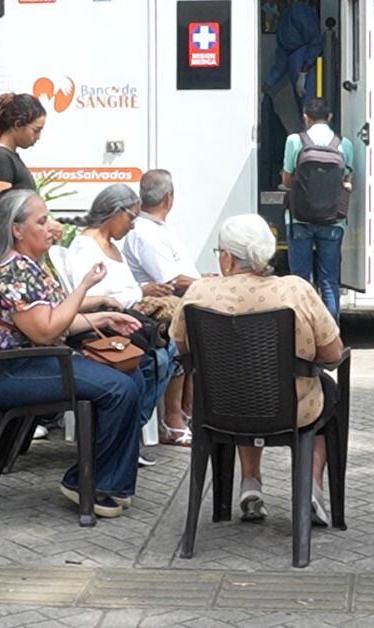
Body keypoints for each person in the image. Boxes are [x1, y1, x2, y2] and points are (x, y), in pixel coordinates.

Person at [0, 190, 145, 518]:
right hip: (8, 373)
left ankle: (110, 481)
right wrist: (85, 286)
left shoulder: (29, 265)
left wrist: (104, 317)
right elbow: (45, 330)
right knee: (119, 388)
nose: (50, 227)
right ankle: (85, 482)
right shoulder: (13, 270)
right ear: (17, 230)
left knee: (133, 374)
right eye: (41, 221)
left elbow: (56, 320)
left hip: (32, 362)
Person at [169, 214, 343, 527]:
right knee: (327, 393)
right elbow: (332, 353)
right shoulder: (295, 290)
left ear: (227, 256)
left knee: (242, 383)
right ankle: (311, 486)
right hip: (288, 410)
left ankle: (250, 482)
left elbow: (182, 347)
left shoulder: (199, 292)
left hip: (219, 409)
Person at [63, 184, 181, 465]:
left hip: (128, 319)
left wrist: (144, 291)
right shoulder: (85, 248)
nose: (132, 227)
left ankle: (129, 431)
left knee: (173, 350)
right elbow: (83, 298)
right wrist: (133, 296)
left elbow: (125, 289)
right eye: (131, 219)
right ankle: (125, 434)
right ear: (115, 213)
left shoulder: (112, 246)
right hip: (101, 329)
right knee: (155, 359)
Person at [123, 170, 201, 444]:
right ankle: (173, 418)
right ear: (169, 198)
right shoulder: (145, 233)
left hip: (174, 302)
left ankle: (188, 408)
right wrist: (210, 288)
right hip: (154, 309)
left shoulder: (159, 227)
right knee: (186, 331)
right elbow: (172, 282)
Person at [283, 98, 355, 323]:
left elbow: (287, 180)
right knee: (329, 281)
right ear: (330, 117)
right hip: (333, 222)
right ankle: (331, 333)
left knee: (300, 280)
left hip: (299, 219)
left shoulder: (295, 140)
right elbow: (347, 179)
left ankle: (301, 332)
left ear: (306, 116)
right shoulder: (344, 144)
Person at [260, 0, 323, 107]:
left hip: (306, 64)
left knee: (310, 106)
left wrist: (304, 71)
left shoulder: (299, 11)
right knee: (302, 106)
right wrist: (267, 84)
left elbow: (315, 40)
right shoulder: (283, 19)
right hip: (294, 64)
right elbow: (282, 59)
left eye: (268, 1)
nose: (268, 5)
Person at [0, 92, 46, 209]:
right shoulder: (0, 159)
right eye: (36, 130)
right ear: (18, 124)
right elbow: (0, 211)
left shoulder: (7, 157)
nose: (38, 137)